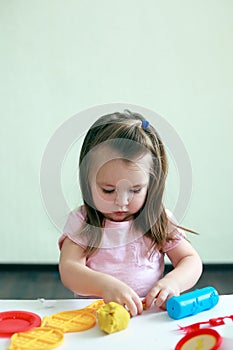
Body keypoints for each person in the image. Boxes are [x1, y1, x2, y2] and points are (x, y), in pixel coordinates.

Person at [58, 110, 202, 317]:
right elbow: (69, 269)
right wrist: (105, 286)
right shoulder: (83, 222)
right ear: (87, 181)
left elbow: (190, 260)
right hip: (96, 317)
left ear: (151, 183)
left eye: (135, 190)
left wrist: (173, 282)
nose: (121, 202)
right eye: (108, 190)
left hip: (148, 316)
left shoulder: (158, 219)